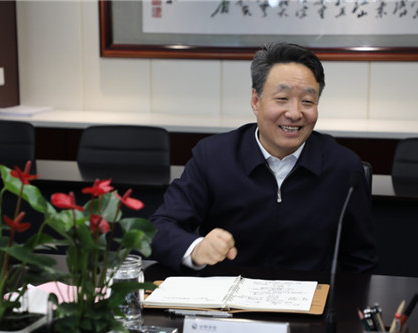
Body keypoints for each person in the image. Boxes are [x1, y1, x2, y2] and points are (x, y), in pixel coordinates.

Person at [149, 42, 377, 279]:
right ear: (256, 101)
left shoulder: (343, 167)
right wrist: (196, 250)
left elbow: (362, 262)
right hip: (224, 296)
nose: (295, 113)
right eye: (282, 98)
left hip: (310, 298)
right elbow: (159, 229)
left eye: (308, 101)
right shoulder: (213, 156)